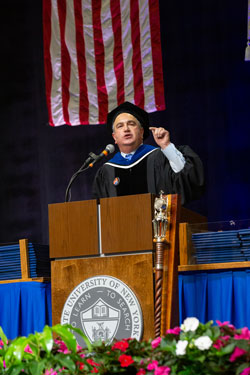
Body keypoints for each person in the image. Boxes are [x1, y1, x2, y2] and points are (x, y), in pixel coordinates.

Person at [92, 102, 204, 204]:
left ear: (141, 132)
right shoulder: (107, 171)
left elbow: (188, 181)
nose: (126, 129)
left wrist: (166, 146)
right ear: (114, 137)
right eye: (120, 126)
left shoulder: (160, 157)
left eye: (131, 124)